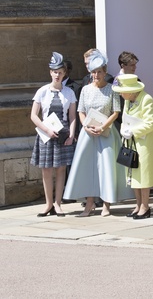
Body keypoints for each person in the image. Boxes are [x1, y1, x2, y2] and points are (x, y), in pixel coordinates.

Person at [63, 51, 133, 216]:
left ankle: (107, 204)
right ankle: (89, 204)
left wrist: (102, 127)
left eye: (99, 72)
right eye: (93, 72)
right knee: (88, 168)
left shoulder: (112, 89)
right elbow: (81, 111)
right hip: (88, 134)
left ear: (105, 72)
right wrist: (86, 126)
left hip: (106, 133)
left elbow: (116, 112)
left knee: (107, 168)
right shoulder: (85, 89)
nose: (96, 75)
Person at [30, 52, 77, 217]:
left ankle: (58, 204)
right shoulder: (42, 91)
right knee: (46, 170)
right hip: (46, 133)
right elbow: (34, 115)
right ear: (50, 72)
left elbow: (72, 117)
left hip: (63, 133)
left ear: (64, 73)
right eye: (55, 72)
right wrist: (47, 130)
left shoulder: (69, 93)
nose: (57, 75)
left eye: (60, 72)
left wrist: (71, 135)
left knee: (61, 169)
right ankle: (48, 204)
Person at [113, 74, 153, 219]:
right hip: (131, 143)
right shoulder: (128, 101)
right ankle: (138, 204)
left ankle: (145, 206)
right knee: (133, 175)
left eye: (122, 91)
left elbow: (150, 123)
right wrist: (123, 129)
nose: (121, 94)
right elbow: (125, 119)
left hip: (144, 143)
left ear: (130, 90)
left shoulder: (146, 99)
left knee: (143, 176)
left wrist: (133, 131)